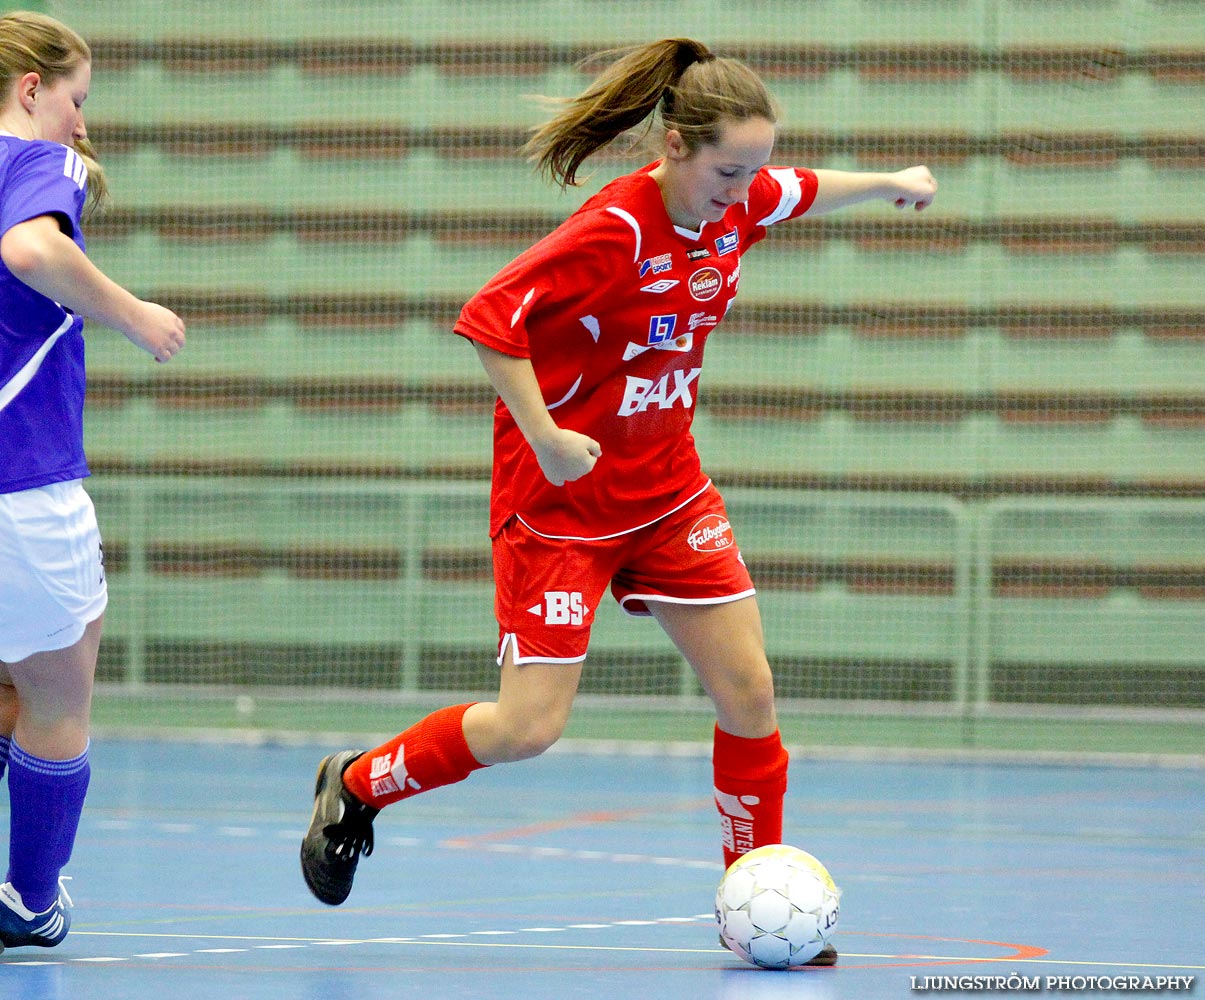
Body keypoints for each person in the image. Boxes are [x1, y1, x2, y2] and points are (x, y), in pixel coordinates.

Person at [301, 38, 935, 965]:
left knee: (749, 691)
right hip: (559, 506)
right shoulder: (618, 228)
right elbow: (489, 317)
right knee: (527, 729)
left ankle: (748, 891)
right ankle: (356, 783)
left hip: (668, 490)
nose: (745, 187)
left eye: (754, 167)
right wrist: (548, 437)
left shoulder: (742, 198)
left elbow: (799, 186)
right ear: (675, 148)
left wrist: (889, 180)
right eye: (728, 169)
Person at [0, 11, 185, 951]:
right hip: (20, 483)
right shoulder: (34, 161)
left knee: (7, 685)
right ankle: (30, 900)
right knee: (61, 694)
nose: (81, 125)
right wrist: (131, 313)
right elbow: (31, 250)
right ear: (32, 90)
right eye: (76, 99)